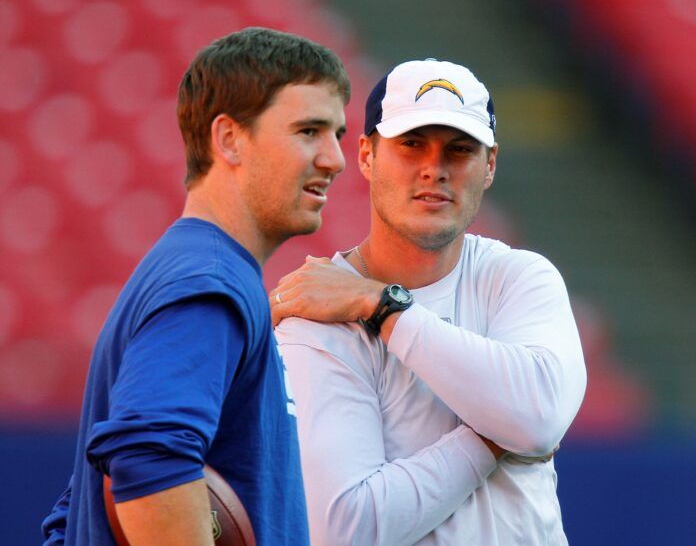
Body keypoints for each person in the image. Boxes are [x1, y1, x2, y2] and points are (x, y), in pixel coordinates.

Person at [41, 27, 349, 546]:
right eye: (309, 131)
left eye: (337, 134)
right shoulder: (210, 281)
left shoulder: (196, 268)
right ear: (228, 138)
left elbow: (80, 506)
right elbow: (146, 455)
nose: (334, 158)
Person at [271, 59, 586, 545]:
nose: (434, 169)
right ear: (367, 155)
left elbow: (538, 418)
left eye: (459, 150)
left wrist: (380, 305)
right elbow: (347, 528)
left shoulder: (520, 277)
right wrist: (493, 436)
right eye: (411, 144)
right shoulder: (317, 318)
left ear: (491, 165)